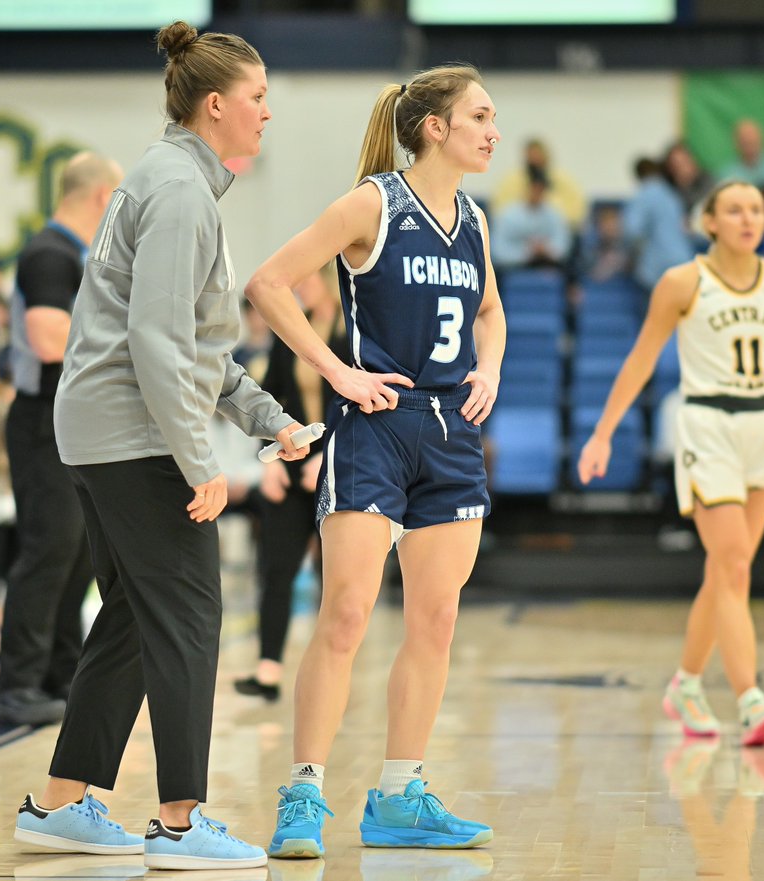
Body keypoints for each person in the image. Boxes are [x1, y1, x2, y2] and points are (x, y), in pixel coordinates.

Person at [11, 22, 308, 871]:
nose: (267, 114)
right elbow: (156, 343)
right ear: (216, 106)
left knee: (137, 618)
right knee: (188, 617)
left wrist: (273, 421)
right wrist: (201, 462)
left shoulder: (170, 178)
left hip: (101, 429)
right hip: (133, 436)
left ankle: (62, 805)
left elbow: (194, 349)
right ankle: (179, 823)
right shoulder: (178, 190)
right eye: (257, 99)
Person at [246, 64, 505, 858]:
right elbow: (270, 283)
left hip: (451, 433)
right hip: (376, 426)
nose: (495, 131)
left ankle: (400, 793)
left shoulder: (476, 220)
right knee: (348, 612)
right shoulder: (374, 203)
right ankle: (303, 791)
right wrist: (338, 372)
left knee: (436, 618)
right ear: (436, 127)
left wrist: (489, 369)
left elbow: (490, 312)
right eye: (481, 116)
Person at [578, 180, 764, 747]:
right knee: (733, 567)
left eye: (757, 209)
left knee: (728, 572)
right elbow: (640, 361)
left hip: (763, 426)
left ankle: (686, 684)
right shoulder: (683, 282)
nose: (748, 218)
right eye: (734, 209)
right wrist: (603, 433)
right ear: (708, 221)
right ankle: (750, 700)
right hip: (707, 425)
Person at [0, 151, 124, 727]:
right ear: (101, 197)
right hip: (40, 417)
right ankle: (17, 682)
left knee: (75, 552)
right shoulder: (49, 253)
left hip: (69, 418)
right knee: (48, 548)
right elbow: (47, 337)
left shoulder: (73, 255)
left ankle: (60, 672)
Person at [234, 264, 349, 702]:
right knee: (276, 566)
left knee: (333, 578)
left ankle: (331, 675)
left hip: (339, 467)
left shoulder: (351, 333)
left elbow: (363, 406)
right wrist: (271, 460)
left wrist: (327, 459)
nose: (299, 288)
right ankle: (268, 671)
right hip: (293, 461)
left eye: (306, 280)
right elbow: (272, 399)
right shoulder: (291, 335)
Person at [622, 156, 696, 292]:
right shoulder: (671, 194)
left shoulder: (644, 194)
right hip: (684, 262)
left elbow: (631, 230)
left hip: (657, 268)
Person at [490, 137, 586, 228]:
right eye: (531, 157)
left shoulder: (564, 180)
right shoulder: (511, 181)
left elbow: (577, 213)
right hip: (519, 233)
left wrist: (548, 207)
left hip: (553, 232)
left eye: (538, 156)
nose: (535, 160)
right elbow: (499, 213)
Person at [490, 165, 572, 271]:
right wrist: (526, 253)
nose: (537, 193)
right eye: (534, 189)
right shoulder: (508, 215)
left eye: (541, 190)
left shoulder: (554, 214)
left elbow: (563, 245)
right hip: (513, 267)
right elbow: (498, 249)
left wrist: (546, 250)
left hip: (546, 263)